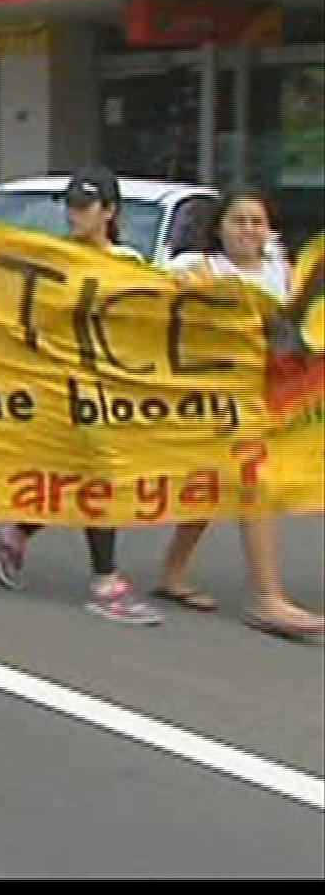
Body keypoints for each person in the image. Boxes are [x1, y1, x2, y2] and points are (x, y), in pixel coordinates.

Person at [0, 170, 163, 626]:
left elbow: (150, 319)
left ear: (109, 211)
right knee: (100, 472)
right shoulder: (55, 260)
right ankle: (105, 581)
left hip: (113, 387)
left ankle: (16, 533)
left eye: (86, 205)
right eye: (71, 205)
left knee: (77, 473)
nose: (75, 214)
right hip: (64, 386)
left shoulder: (128, 262)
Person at [156, 191, 323, 639]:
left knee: (214, 487)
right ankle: (268, 598)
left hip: (266, 402)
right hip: (211, 403)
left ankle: (172, 573)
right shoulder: (197, 268)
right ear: (220, 228)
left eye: (257, 222)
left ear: (269, 230)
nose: (249, 229)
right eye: (238, 221)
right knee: (255, 484)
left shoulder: (282, 273)